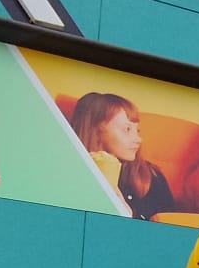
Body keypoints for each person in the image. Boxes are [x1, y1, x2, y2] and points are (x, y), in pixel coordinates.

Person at [69, 92, 174, 221]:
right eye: (127, 129)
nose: (139, 139)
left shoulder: (152, 176)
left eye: (137, 131)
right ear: (96, 130)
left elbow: (171, 227)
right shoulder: (72, 171)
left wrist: (129, 217)